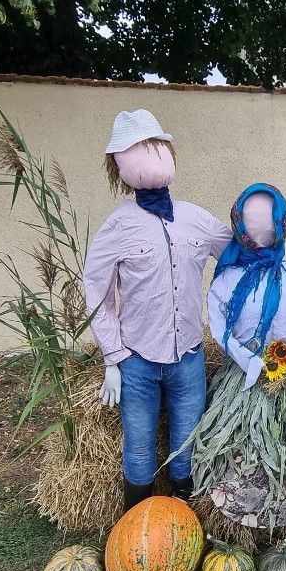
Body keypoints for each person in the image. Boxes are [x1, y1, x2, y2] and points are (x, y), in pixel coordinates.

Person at [169, 182, 286, 530]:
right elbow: (219, 328)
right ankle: (242, 517)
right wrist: (248, 361)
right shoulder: (228, 280)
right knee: (240, 448)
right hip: (244, 380)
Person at [83, 109, 232, 512]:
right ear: (119, 164)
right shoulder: (118, 226)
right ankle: (137, 527)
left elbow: (235, 253)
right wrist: (113, 357)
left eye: (154, 147)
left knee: (187, 441)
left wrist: (263, 230)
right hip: (138, 360)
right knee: (139, 448)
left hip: (188, 356)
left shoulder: (196, 219)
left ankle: (184, 518)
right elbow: (96, 290)